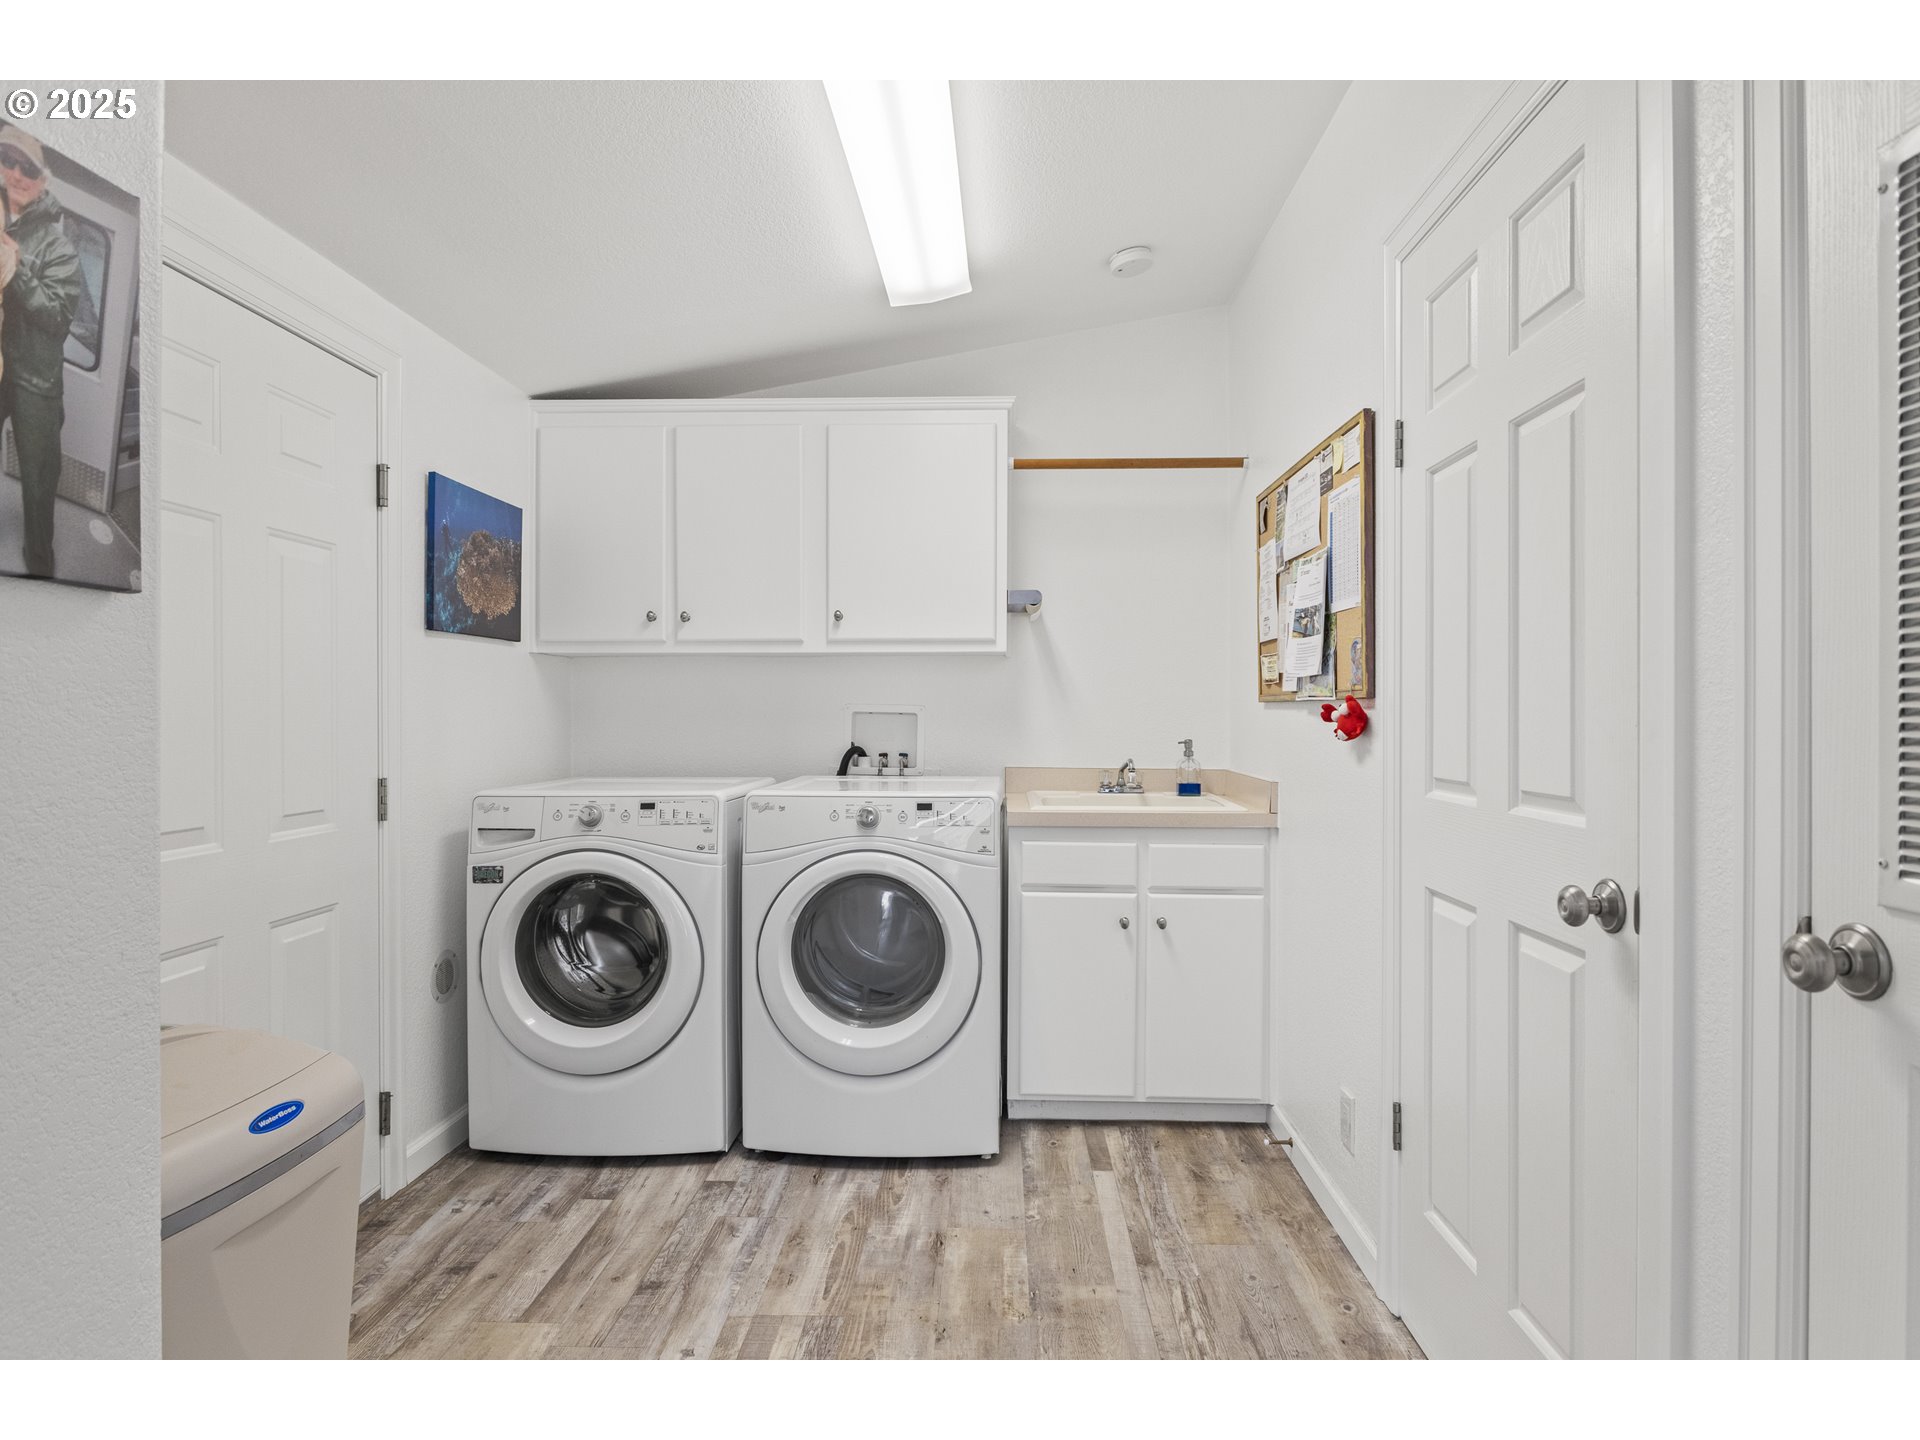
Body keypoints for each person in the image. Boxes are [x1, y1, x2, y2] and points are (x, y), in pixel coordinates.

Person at [0, 125, 82, 577]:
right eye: (7, 161)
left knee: (38, 481)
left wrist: (17, 268)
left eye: (27, 168)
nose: (16, 174)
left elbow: (57, 318)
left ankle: (39, 566)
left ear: (42, 180)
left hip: (36, 381)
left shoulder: (59, 248)